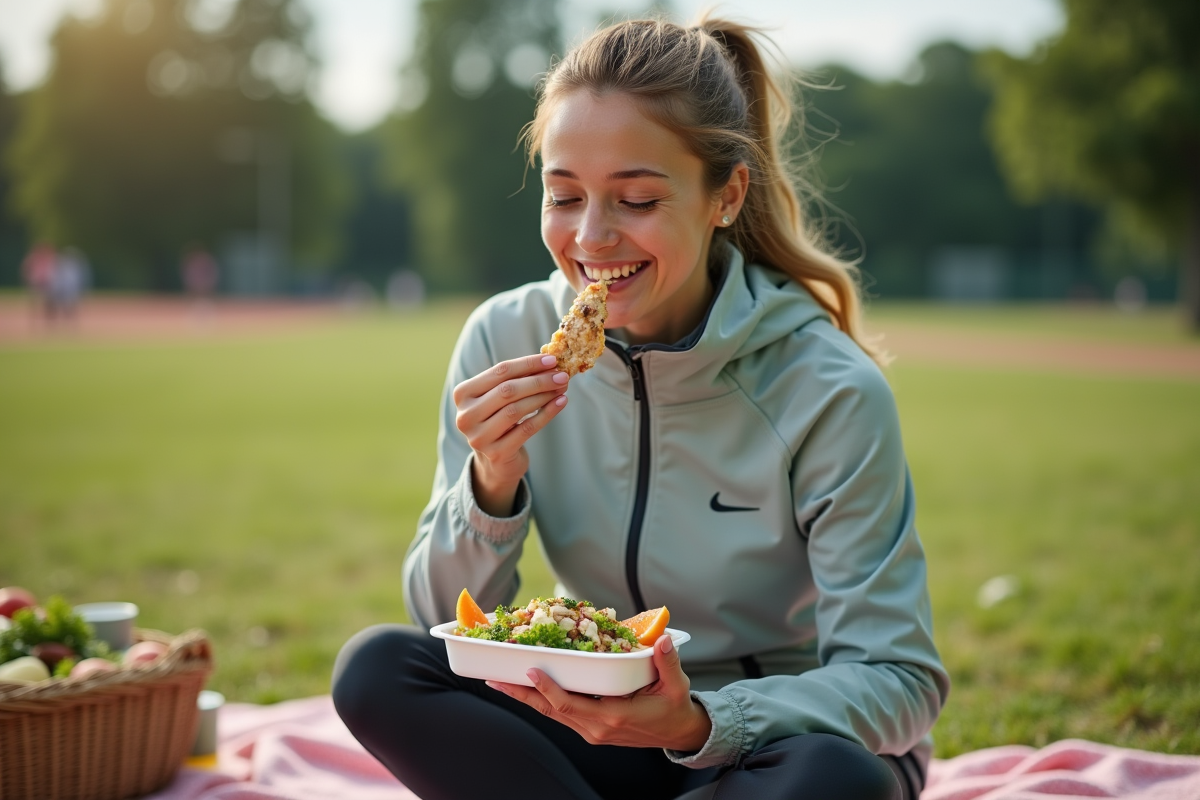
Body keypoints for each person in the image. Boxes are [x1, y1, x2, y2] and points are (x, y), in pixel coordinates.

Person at [333, 15, 949, 800]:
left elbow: (899, 681)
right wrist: (492, 481)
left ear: (725, 196)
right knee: (380, 667)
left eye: (636, 199)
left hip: (770, 744)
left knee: (832, 779)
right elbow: (442, 626)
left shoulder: (827, 387)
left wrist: (698, 721)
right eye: (565, 196)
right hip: (588, 724)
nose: (593, 237)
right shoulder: (506, 336)